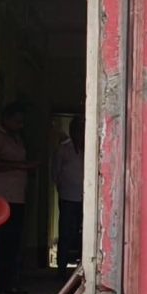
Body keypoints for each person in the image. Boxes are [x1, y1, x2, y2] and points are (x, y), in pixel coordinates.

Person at [0, 103, 38, 294]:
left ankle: (10, 283)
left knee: (13, 242)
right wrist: (22, 166)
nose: (20, 125)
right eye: (17, 121)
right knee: (0, 242)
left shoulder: (17, 138)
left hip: (17, 198)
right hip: (0, 198)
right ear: (6, 119)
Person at [52, 116, 84, 280]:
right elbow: (55, 173)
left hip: (86, 199)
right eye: (77, 130)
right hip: (68, 196)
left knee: (84, 233)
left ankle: (83, 268)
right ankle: (61, 269)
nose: (80, 133)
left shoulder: (91, 147)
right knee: (66, 232)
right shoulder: (64, 149)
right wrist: (61, 188)